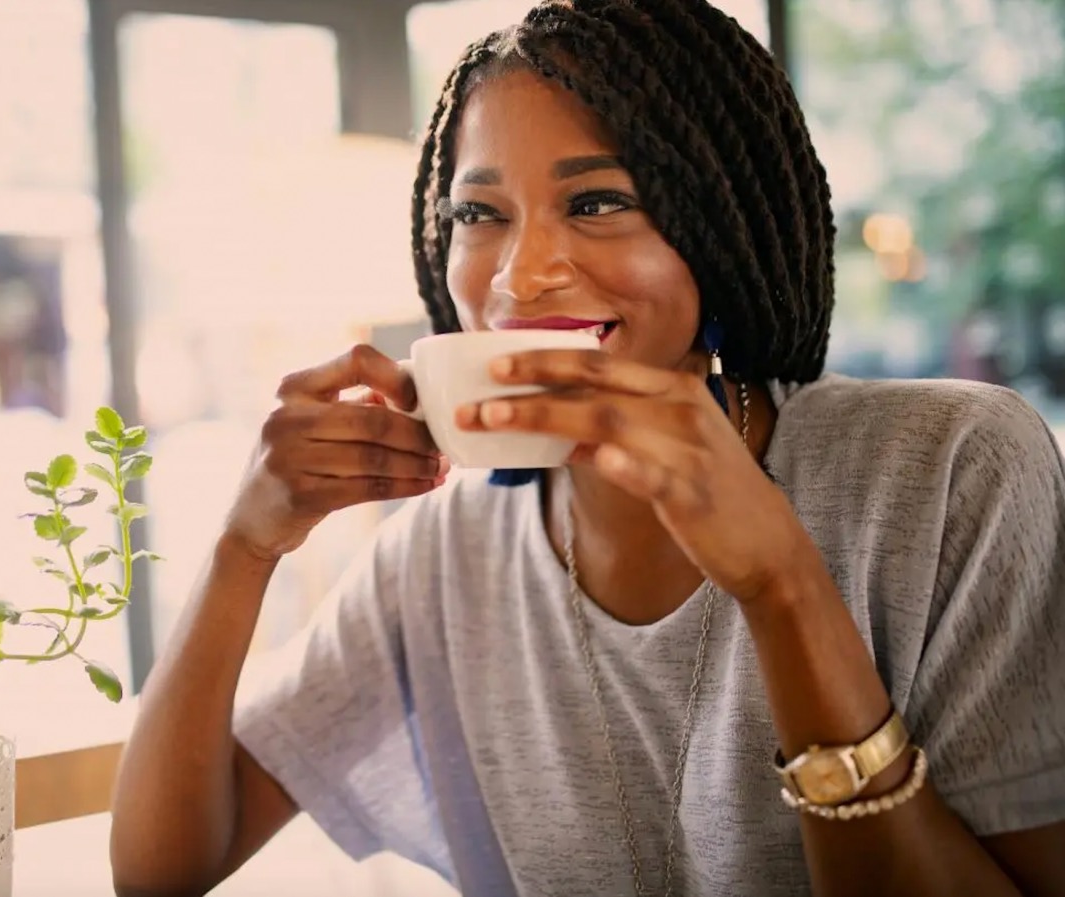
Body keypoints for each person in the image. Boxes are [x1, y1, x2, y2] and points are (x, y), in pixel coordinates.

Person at [108, 2, 1065, 895]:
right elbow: (163, 866)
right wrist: (246, 546)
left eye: (599, 201)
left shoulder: (951, 466)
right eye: (479, 215)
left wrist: (783, 585)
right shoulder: (443, 553)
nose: (522, 276)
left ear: (717, 225)